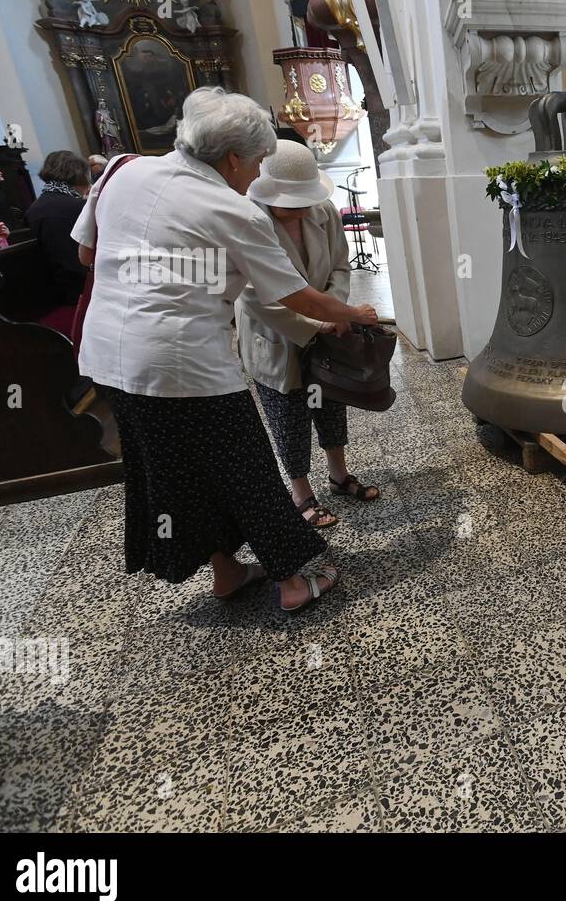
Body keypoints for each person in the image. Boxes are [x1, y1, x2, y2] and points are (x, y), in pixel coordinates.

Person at [73, 87, 378, 612]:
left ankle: (228, 573)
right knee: (248, 471)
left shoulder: (122, 168)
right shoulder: (231, 208)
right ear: (235, 156)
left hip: (109, 358)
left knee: (179, 476)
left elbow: (86, 253)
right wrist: (356, 313)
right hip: (183, 363)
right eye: (259, 160)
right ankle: (290, 582)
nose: (258, 173)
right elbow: (298, 296)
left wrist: (172, 274)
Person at [238, 140, 380, 529]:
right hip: (277, 335)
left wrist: (334, 310)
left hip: (328, 330)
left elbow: (340, 266)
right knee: (289, 415)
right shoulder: (246, 220)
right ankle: (301, 492)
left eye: (304, 200)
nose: (300, 210)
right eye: (290, 203)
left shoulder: (324, 210)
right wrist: (319, 321)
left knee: (332, 401)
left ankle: (338, 475)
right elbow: (254, 296)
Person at [25, 151, 91, 333]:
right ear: (77, 174)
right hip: (78, 291)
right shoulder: (77, 207)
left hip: (49, 291)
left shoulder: (34, 208)